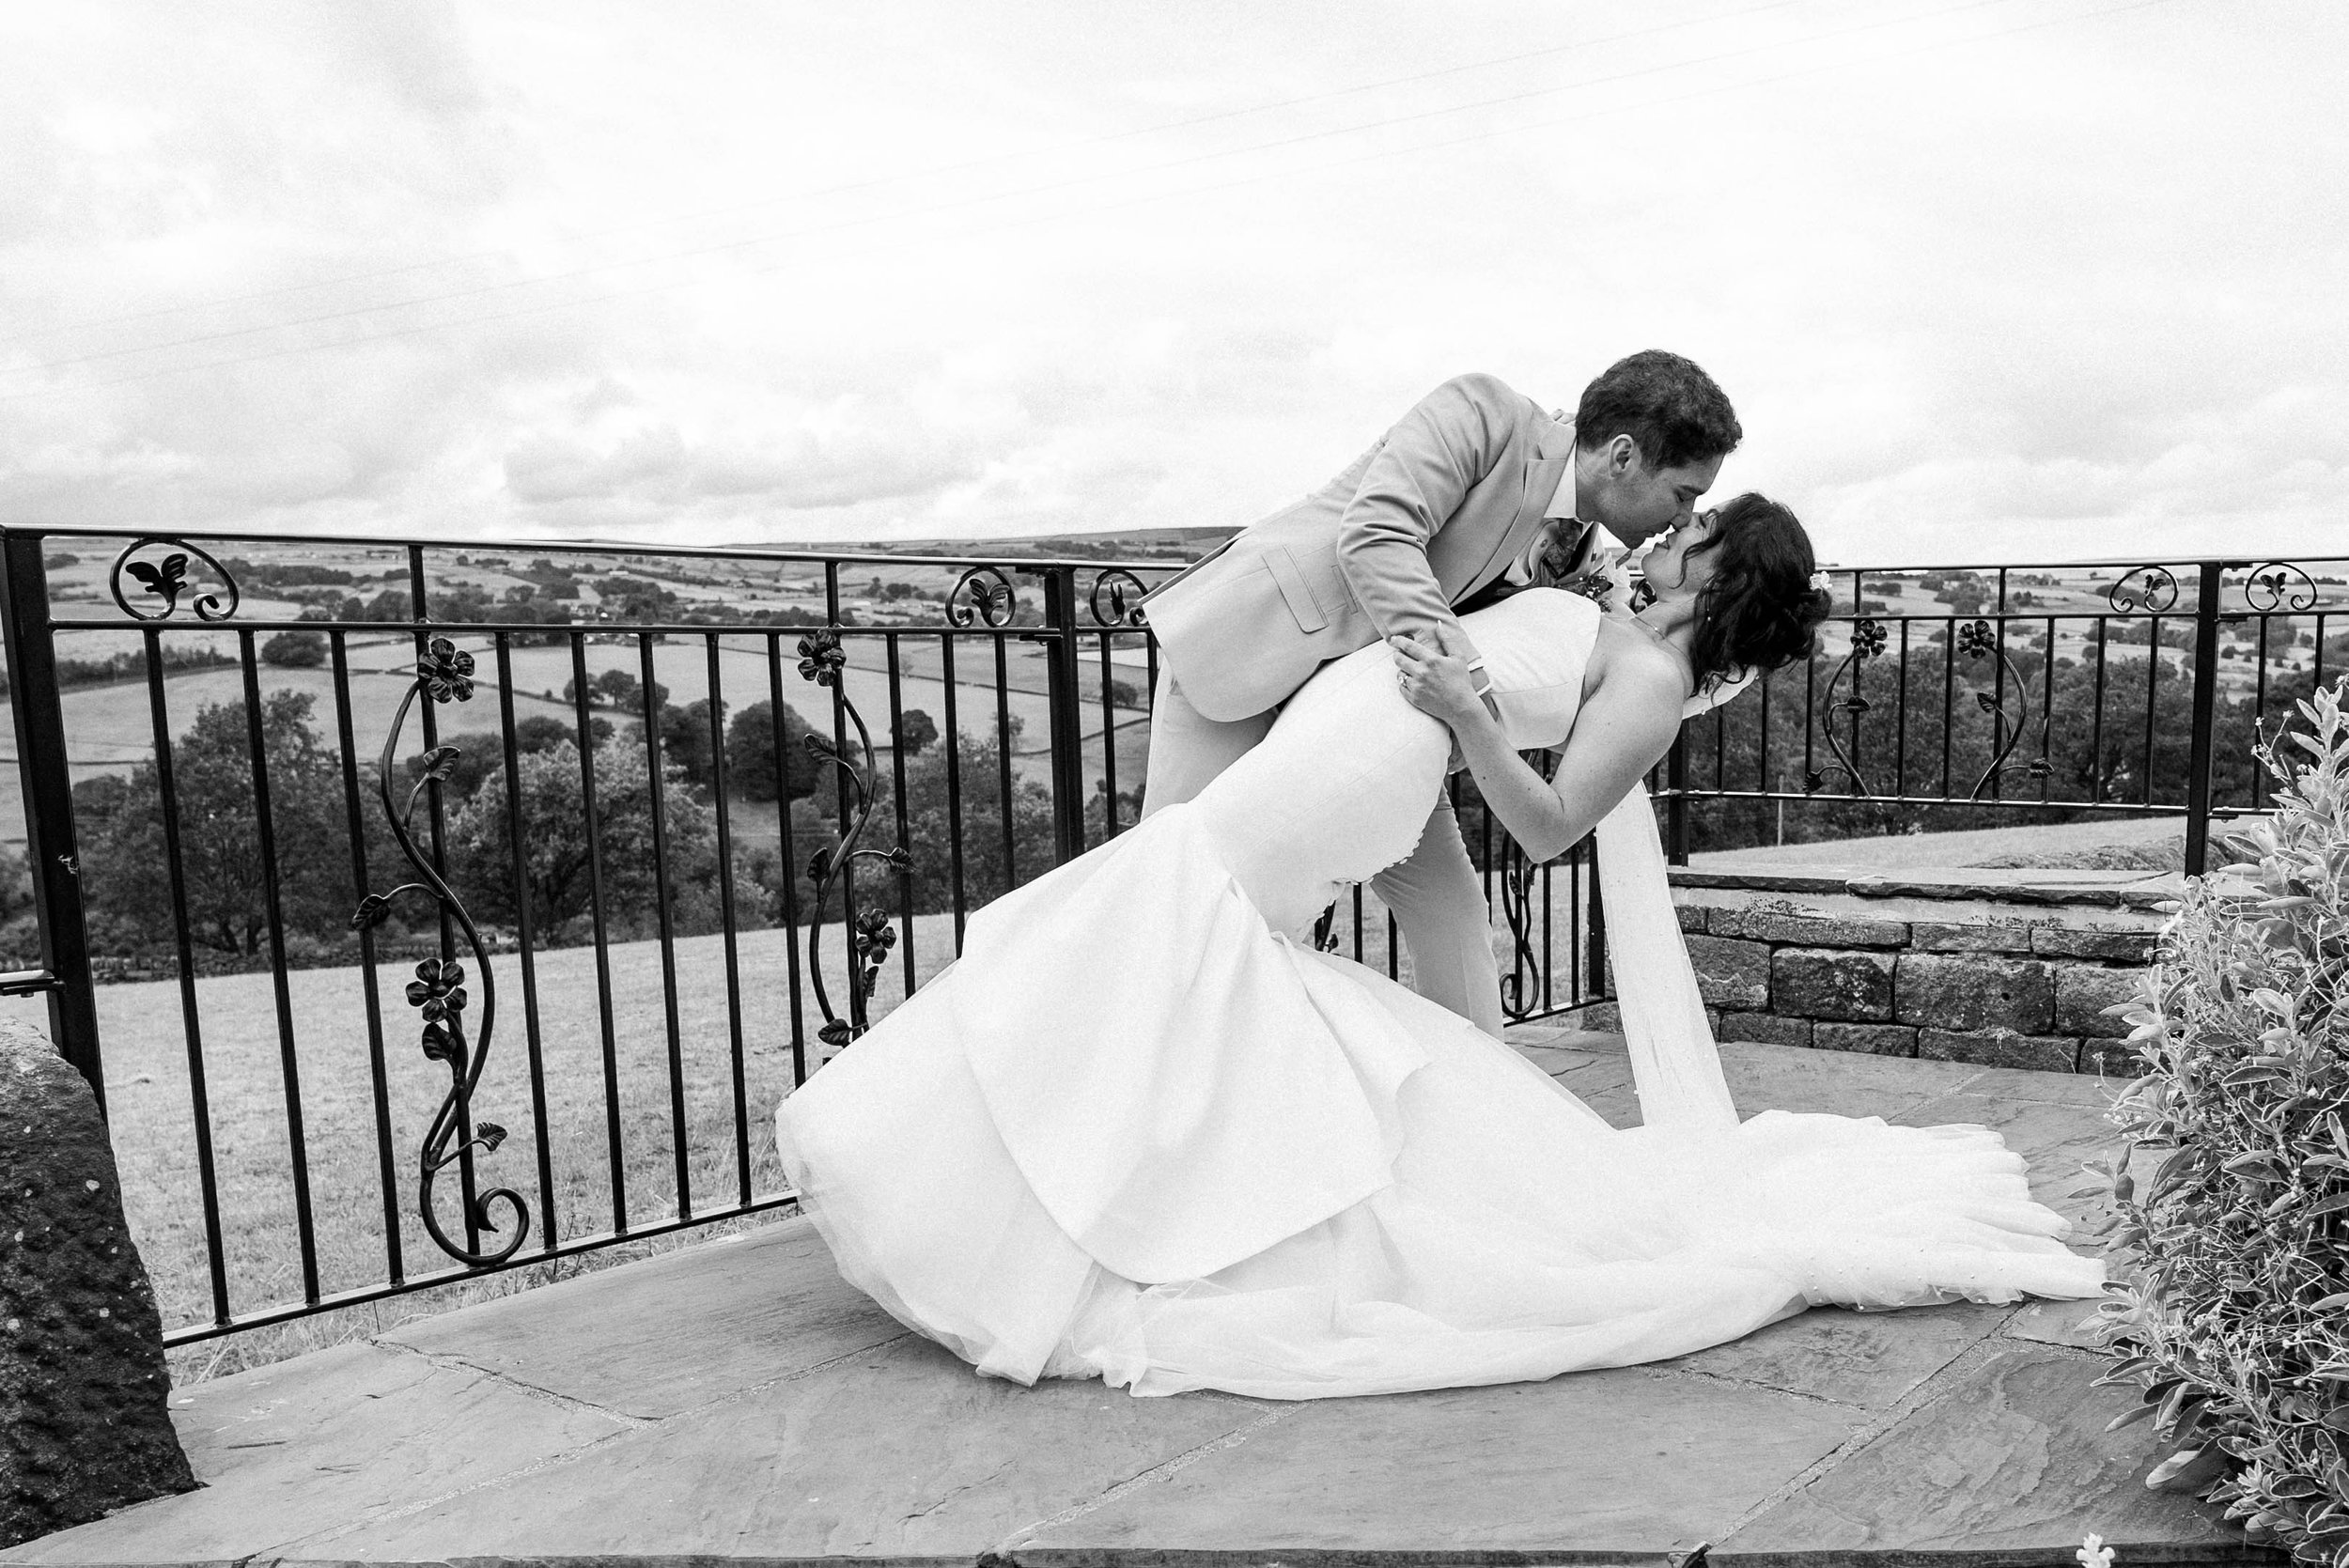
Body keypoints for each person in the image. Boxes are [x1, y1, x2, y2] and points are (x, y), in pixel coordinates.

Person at [773, 494, 2104, 1402]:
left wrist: (1464, 709)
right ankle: (1127, 1178)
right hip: (1363, 720)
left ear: (1724, 571)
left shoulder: (1646, 684)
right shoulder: (1623, 626)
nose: (1672, 534)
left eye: (1695, 532)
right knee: (1184, 920)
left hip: (1381, 745)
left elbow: (1542, 825)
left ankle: (1057, 1195)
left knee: (1179, 903)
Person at [1136, 354, 1739, 1040]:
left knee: (1455, 924)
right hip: (1251, 657)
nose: (1682, 517)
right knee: (1173, 897)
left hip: (1367, 728)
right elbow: (1377, 534)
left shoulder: (1585, 557)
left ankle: (1481, 1124)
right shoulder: (1484, 413)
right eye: (1685, 494)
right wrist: (1469, 697)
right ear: (1624, 456)